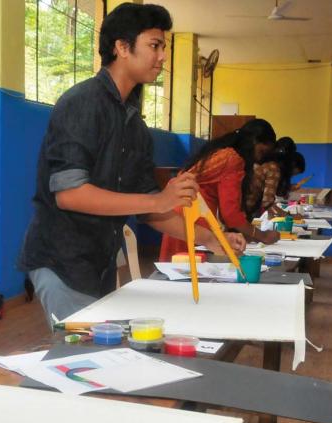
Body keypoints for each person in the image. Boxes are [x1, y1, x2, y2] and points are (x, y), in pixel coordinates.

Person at [17, 3, 246, 322]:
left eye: (163, 47)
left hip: (97, 263)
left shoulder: (134, 126)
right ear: (122, 47)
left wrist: (211, 238)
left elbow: (150, 211)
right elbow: (70, 194)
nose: (162, 56)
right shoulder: (82, 103)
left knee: (97, 354)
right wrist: (159, 198)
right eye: (154, 45)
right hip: (61, 261)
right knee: (84, 356)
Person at [158, 118, 279, 262]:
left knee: (180, 272)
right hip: (193, 216)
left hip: (182, 213)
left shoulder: (221, 152)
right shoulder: (232, 159)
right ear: (253, 142)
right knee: (187, 272)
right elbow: (231, 214)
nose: (260, 158)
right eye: (261, 151)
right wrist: (262, 236)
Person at [246, 136, 306, 218]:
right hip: (245, 209)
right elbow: (267, 203)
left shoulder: (268, 163)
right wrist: (289, 216)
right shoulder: (274, 168)